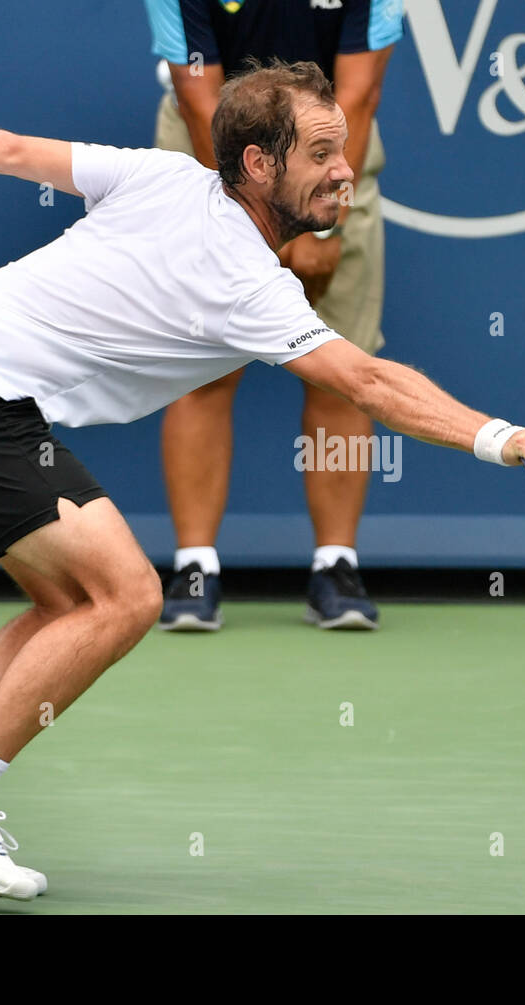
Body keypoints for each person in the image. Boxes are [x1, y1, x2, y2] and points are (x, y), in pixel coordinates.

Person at [0, 62, 525, 900]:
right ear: (259, 165)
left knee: (67, 605)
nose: (344, 168)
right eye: (323, 151)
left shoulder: (162, 174)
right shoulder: (249, 283)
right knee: (127, 596)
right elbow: (368, 384)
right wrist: (505, 439)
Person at [147, 1, 401, 631]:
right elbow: (201, 98)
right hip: (211, 157)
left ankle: (335, 566)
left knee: (340, 370)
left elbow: (359, 94)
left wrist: (324, 215)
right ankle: (194, 566)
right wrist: (251, 225)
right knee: (203, 367)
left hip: (332, 155)